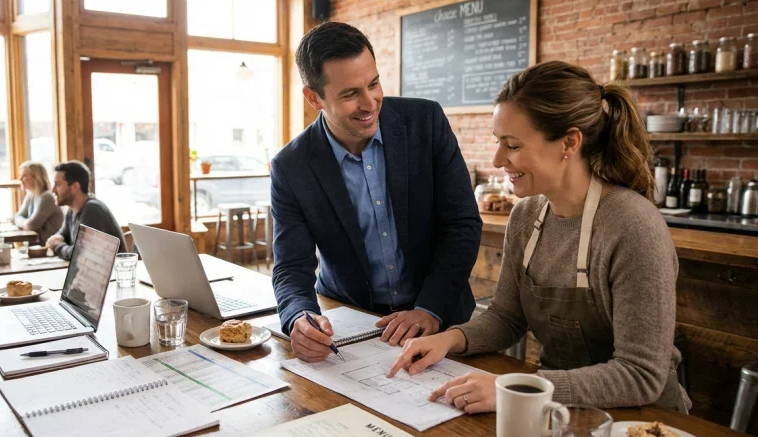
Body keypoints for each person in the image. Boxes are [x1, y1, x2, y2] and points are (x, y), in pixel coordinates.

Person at [388, 61, 690, 414]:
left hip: (643, 424)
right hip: (556, 410)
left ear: (569, 143)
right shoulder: (526, 216)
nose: (499, 159)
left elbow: (640, 375)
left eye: (513, 145)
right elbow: (506, 317)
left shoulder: (633, 226)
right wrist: (450, 339)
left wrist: (516, 389)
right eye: (499, 143)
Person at [272, 22, 482, 363]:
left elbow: (462, 224)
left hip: (442, 319)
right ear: (314, 98)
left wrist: (430, 308)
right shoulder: (291, 166)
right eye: (351, 93)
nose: (370, 103)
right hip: (353, 326)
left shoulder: (425, 121)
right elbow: (292, 265)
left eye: (374, 84)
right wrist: (299, 318)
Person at [45, 160, 126, 259]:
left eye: (58, 184)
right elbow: (61, 236)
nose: (53, 190)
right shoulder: (72, 210)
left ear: (75, 186)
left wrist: (58, 246)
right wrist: (57, 242)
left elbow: (80, 254)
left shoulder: (92, 210)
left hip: (112, 272)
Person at [14, 160, 64, 245]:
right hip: (38, 246)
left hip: (49, 248)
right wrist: (24, 223)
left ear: (36, 177)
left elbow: (32, 225)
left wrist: (22, 223)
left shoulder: (46, 197)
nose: (20, 178)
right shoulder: (31, 194)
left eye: (24, 175)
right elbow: (17, 217)